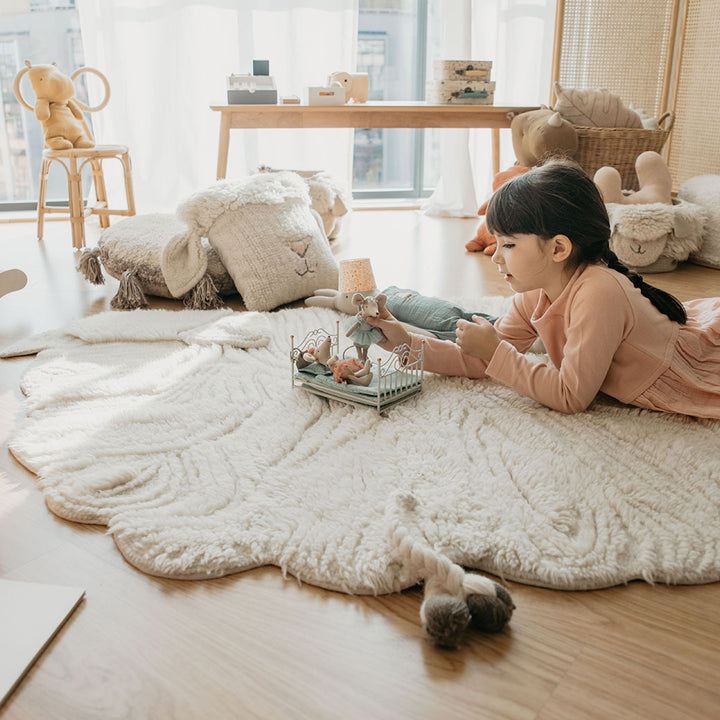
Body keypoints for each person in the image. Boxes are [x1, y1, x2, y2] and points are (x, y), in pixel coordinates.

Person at [367, 160, 720, 419]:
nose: (496, 258)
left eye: (508, 245)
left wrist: (496, 353)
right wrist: (404, 342)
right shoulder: (533, 296)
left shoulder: (599, 292)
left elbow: (570, 396)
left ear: (558, 249)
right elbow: (479, 360)